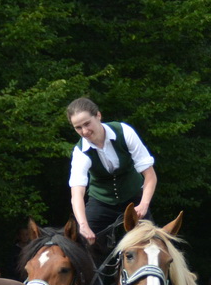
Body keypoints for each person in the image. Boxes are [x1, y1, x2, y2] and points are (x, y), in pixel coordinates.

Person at [66, 97, 156, 253]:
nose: (85, 131)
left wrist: (143, 204)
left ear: (98, 116)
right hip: (101, 202)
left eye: (87, 124)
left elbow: (150, 176)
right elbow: (77, 194)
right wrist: (83, 225)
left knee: (153, 247)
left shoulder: (124, 132)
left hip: (134, 199)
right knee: (81, 245)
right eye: (78, 127)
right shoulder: (80, 152)